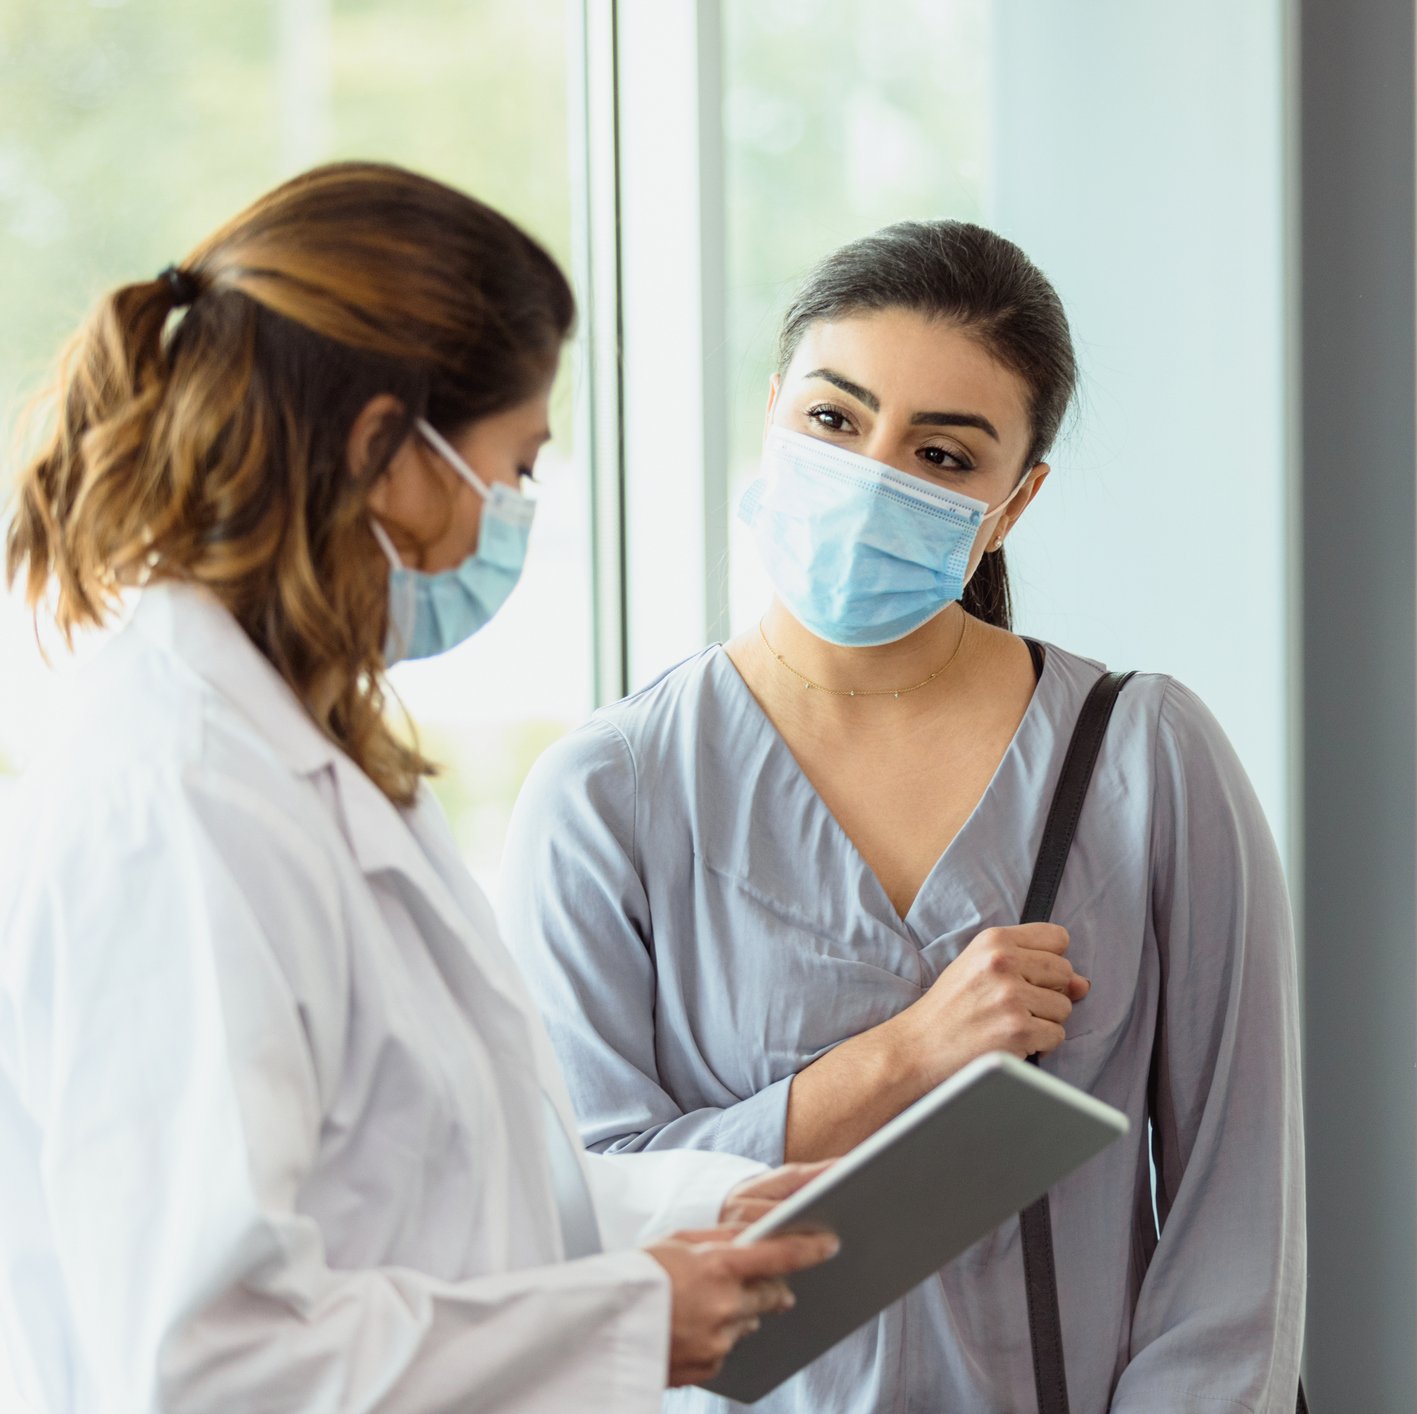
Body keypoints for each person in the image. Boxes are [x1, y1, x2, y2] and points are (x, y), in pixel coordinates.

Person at [0, 161, 839, 1414]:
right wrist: (629, 1318)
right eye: (518, 465)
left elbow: (454, 1197)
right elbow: (208, 1364)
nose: (515, 514)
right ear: (387, 446)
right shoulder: (180, 799)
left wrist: (709, 1210)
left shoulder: (311, 754)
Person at [503, 220, 1306, 1412]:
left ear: (1014, 502)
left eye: (941, 455)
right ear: (774, 411)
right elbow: (581, 1218)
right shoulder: (607, 795)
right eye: (834, 420)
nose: (873, 474)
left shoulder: (1144, 759)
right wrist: (908, 1057)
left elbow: (1237, 1231)